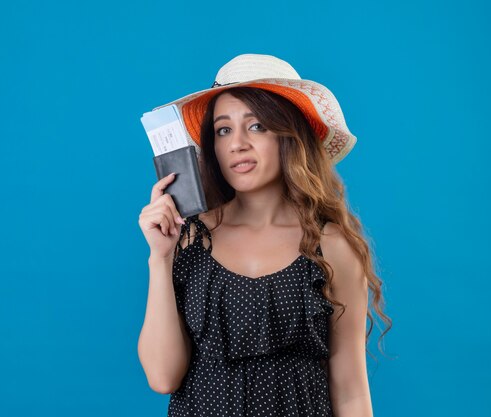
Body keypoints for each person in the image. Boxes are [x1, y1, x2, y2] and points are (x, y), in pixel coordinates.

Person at [137, 54, 391, 417]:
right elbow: (163, 378)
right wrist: (160, 258)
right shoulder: (191, 238)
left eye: (257, 126)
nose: (237, 144)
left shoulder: (331, 246)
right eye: (223, 130)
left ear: (290, 134)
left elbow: (350, 391)